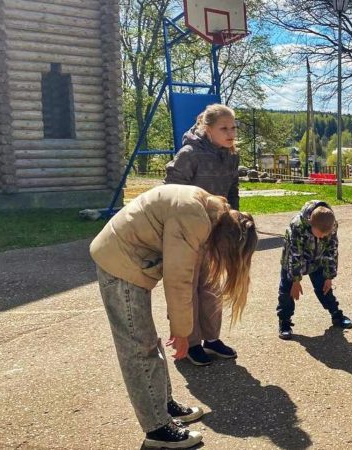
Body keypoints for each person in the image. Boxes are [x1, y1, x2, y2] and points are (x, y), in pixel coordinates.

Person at [90, 184, 258, 449]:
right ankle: (157, 430)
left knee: (147, 342)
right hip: (119, 264)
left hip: (131, 259)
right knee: (138, 349)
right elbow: (179, 279)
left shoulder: (207, 210)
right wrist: (182, 333)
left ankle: (162, 404)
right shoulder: (194, 218)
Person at [164, 103, 241, 365]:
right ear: (207, 129)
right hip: (186, 233)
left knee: (211, 287)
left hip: (215, 231)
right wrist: (189, 221)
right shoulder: (189, 154)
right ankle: (191, 341)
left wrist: (233, 219)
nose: (230, 133)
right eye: (224, 128)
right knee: (189, 288)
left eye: (233, 128)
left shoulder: (231, 155)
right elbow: (170, 193)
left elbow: (232, 189)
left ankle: (211, 338)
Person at [276, 200, 352, 340]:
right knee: (286, 292)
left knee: (324, 288)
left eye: (324, 236)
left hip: (317, 260)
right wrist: (295, 280)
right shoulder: (297, 226)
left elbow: (332, 251)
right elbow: (295, 254)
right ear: (310, 223)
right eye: (319, 235)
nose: (322, 237)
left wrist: (329, 276)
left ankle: (336, 314)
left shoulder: (331, 225)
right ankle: (284, 322)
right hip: (293, 261)